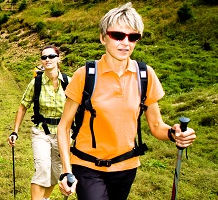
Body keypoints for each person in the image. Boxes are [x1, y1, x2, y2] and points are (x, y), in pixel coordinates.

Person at [57, 2, 196, 200]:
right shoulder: (85, 75)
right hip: (86, 165)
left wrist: (175, 134)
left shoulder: (144, 75)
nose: (126, 42)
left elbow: (156, 126)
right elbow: (64, 127)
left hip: (126, 166)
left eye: (133, 37)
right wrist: (66, 170)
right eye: (118, 35)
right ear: (103, 37)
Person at [8, 45, 70, 200]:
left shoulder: (69, 82)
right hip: (41, 132)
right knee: (42, 168)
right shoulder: (36, 83)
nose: (47, 60)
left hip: (63, 133)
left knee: (57, 172)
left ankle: (44, 198)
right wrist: (15, 131)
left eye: (51, 56)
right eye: (44, 57)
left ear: (58, 58)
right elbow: (23, 107)